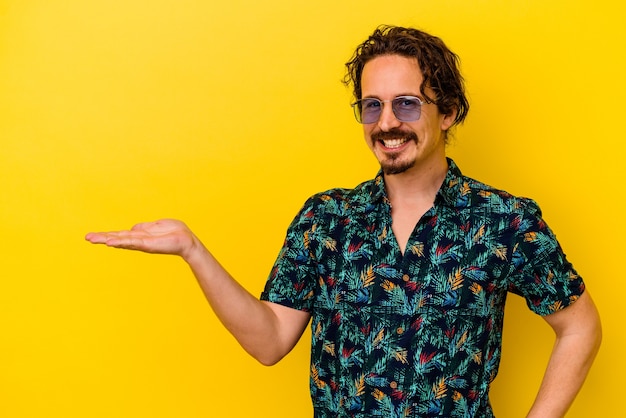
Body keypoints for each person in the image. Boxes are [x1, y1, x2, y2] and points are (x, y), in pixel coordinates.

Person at [86, 25, 601, 417]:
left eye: (406, 104)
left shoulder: (502, 220)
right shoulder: (326, 220)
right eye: (371, 106)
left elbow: (579, 326)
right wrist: (192, 250)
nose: (387, 123)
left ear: (447, 112)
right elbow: (269, 341)